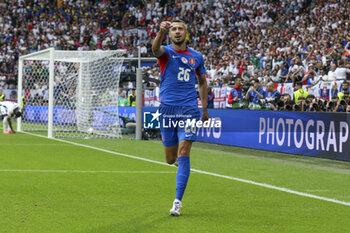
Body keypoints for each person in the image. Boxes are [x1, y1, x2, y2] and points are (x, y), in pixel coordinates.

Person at [152, 20, 209, 216]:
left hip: (189, 109)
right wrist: (160, 31)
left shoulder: (197, 56)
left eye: (180, 29)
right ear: (170, 34)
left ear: (186, 33)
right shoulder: (166, 52)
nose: (177, 32)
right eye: (174, 29)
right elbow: (155, 49)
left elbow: (202, 82)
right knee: (170, 159)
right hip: (168, 109)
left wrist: (204, 109)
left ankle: (177, 201)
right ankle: (176, 161)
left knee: (184, 150)